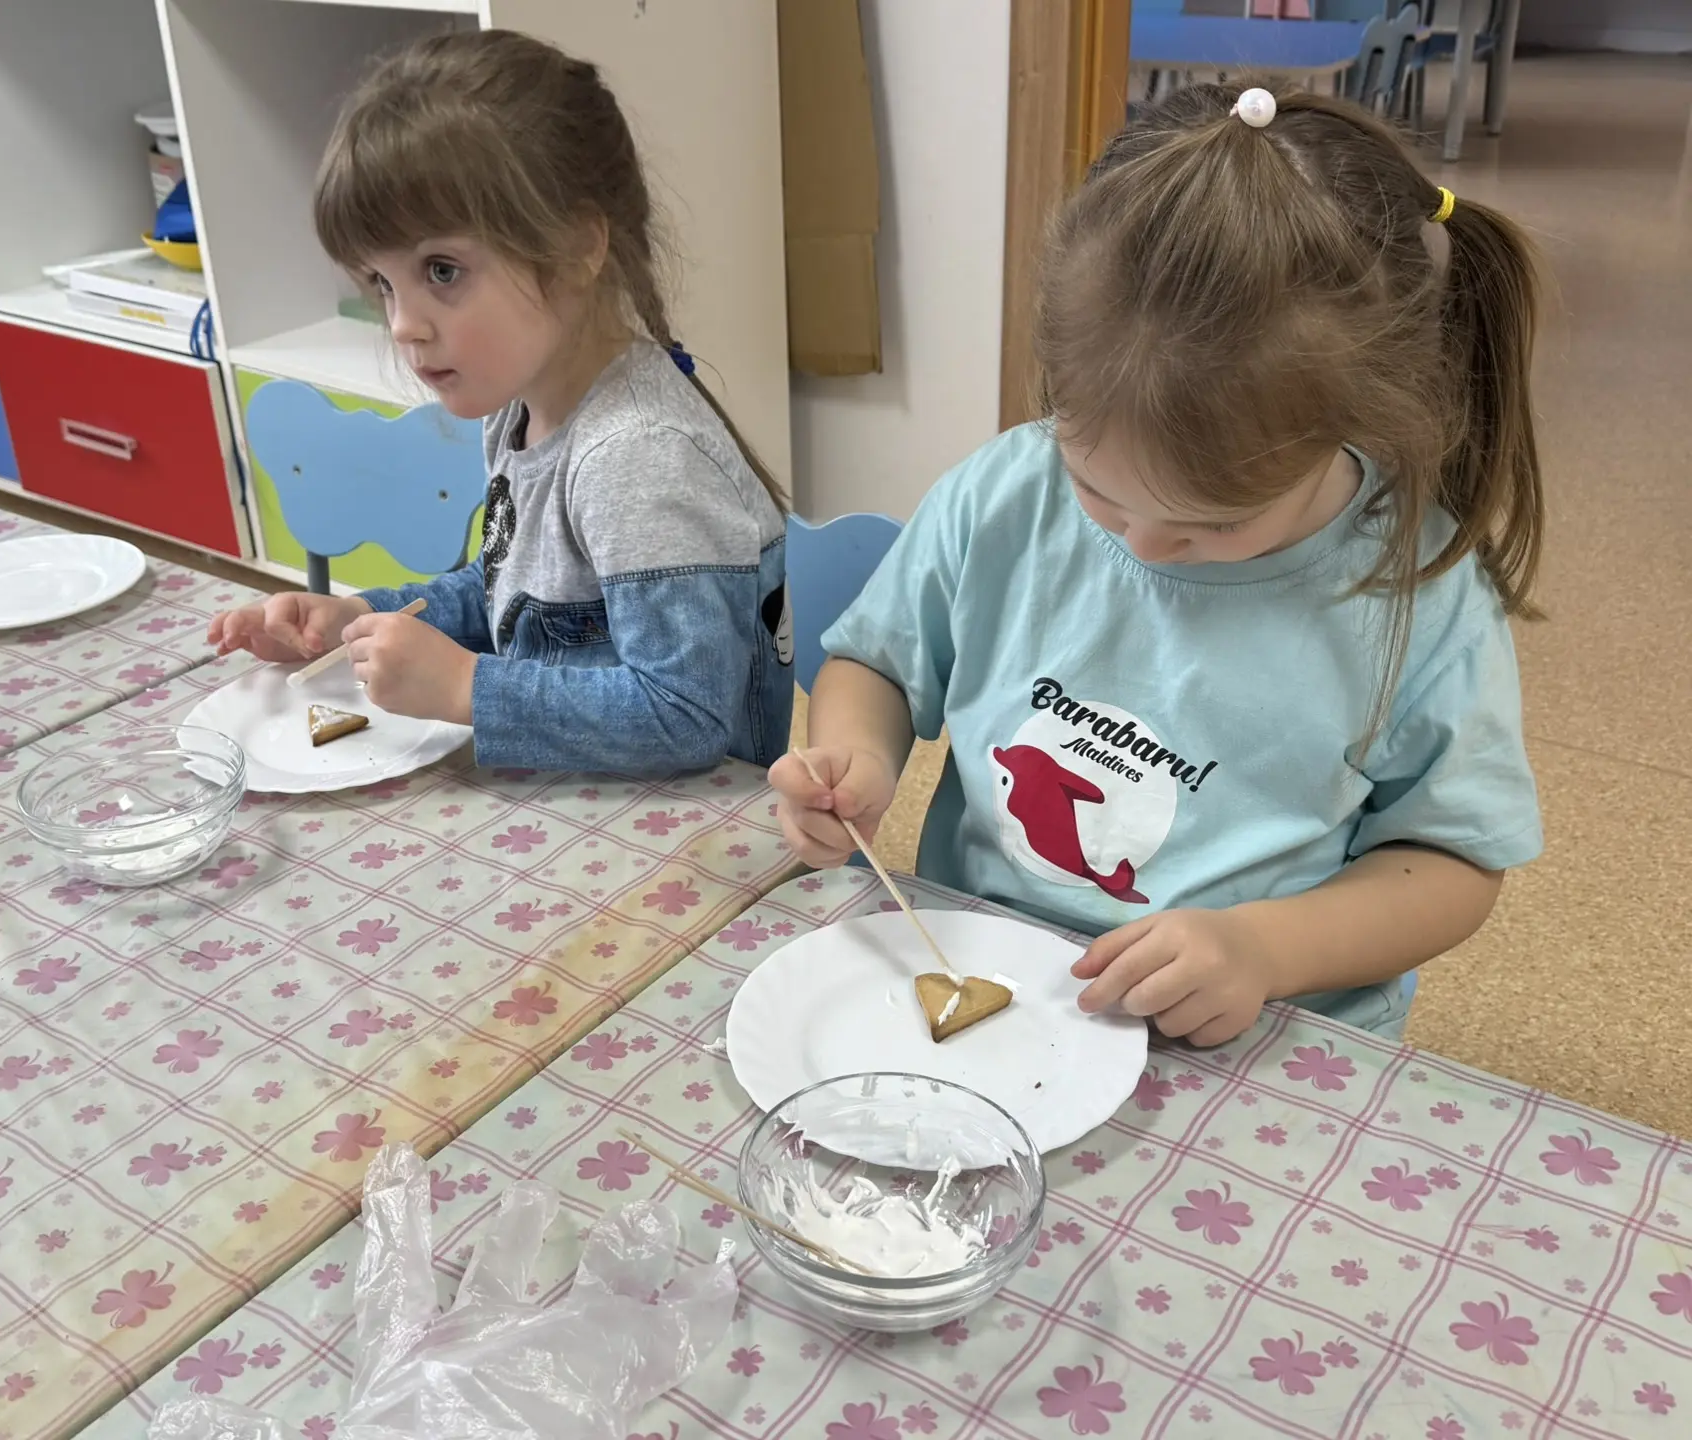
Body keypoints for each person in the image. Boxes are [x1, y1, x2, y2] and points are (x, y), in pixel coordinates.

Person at [772, 86, 1546, 1045]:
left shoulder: (1415, 595)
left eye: (1211, 524)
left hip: (1254, 1033)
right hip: (991, 980)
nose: (1140, 545)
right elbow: (878, 665)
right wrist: (857, 755)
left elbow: (1452, 860)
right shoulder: (1004, 493)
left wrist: (1263, 949)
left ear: (1346, 423)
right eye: (1097, 491)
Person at [209, 30, 792, 774]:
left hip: (687, 825)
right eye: (383, 283)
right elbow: (512, 593)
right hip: (569, 794)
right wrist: (361, 617)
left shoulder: (637, 458)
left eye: (441, 271)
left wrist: (465, 687)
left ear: (576, 249)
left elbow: (686, 715)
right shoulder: (519, 408)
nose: (402, 324)